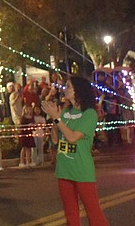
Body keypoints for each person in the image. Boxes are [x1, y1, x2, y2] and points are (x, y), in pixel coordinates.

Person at [42, 76, 109, 226]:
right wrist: (55, 119)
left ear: (78, 91)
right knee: (70, 213)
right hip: (64, 168)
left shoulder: (90, 114)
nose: (65, 89)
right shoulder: (65, 111)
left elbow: (72, 137)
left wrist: (58, 120)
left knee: (93, 212)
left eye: (68, 86)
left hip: (81, 169)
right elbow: (55, 139)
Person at [18, 104, 36, 168]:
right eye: (27, 109)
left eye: (29, 109)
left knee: (29, 148)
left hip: (30, 133)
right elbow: (21, 126)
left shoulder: (32, 117)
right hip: (24, 134)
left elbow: (34, 126)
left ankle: (28, 161)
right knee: (24, 148)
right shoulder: (23, 117)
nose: (28, 110)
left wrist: (33, 126)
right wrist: (27, 125)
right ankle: (22, 162)